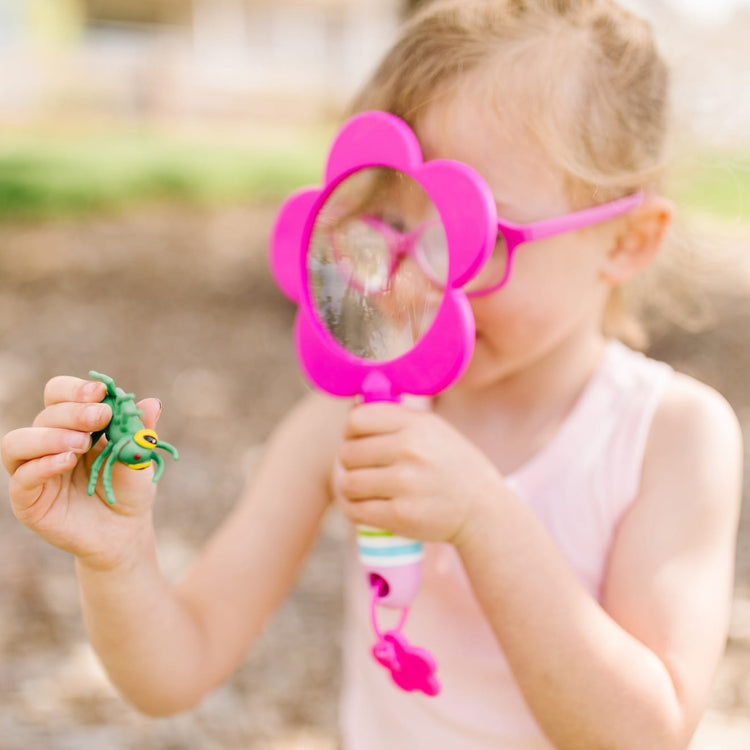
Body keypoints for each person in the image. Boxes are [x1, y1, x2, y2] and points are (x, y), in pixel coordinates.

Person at [2, 0, 743, 747]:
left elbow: (646, 734)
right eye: (390, 228)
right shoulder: (347, 421)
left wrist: (486, 519)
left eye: (474, 234)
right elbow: (177, 667)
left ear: (626, 238)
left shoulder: (671, 438)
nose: (422, 280)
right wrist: (118, 556)